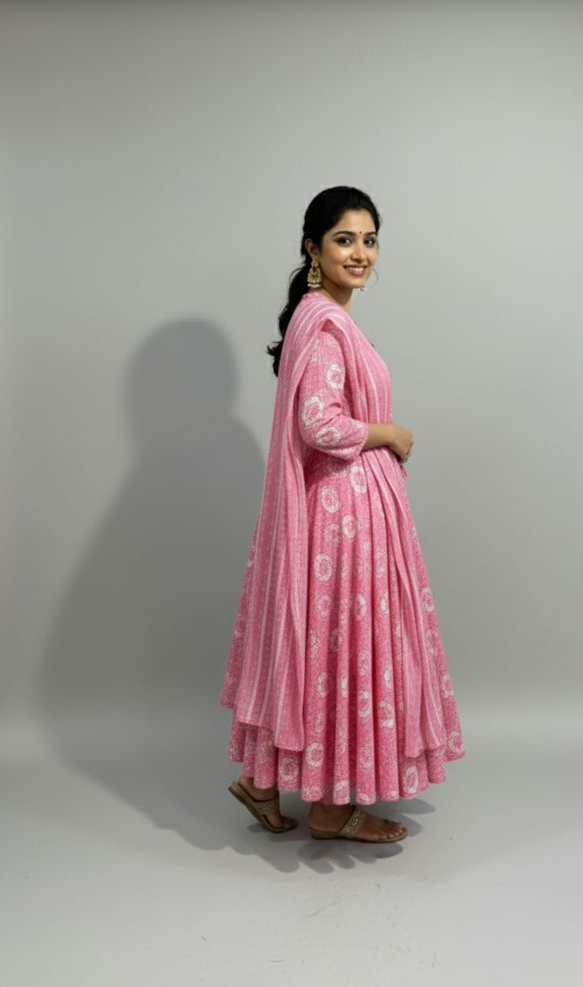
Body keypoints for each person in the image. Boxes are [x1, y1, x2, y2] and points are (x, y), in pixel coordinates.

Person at [221, 186, 464, 843]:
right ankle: (330, 807)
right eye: (344, 239)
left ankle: (265, 781)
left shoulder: (316, 317)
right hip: (341, 519)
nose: (360, 253)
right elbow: (318, 422)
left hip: (338, 511)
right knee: (339, 651)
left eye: (369, 239)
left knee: (316, 645)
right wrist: (390, 433)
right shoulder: (325, 325)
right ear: (312, 247)